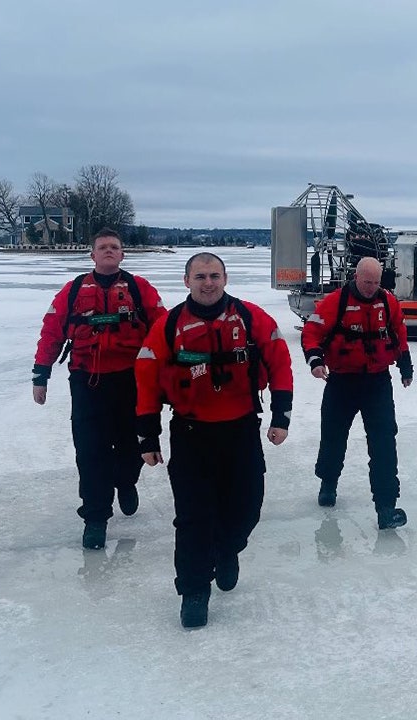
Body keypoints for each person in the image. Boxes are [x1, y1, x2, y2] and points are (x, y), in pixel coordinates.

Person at [135, 252, 293, 629]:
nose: (208, 283)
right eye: (201, 276)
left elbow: (280, 363)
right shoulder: (168, 325)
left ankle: (227, 549)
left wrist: (281, 416)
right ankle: (193, 591)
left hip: (240, 431)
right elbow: (146, 378)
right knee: (193, 518)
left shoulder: (252, 318)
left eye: (215, 275)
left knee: (247, 508)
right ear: (187, 280)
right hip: (191, 434)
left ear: (225, 278)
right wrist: (147, 434)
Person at [32, 228, 166, 549]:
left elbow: (163, 330)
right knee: (91, 453)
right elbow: (52, 332)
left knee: (132, 446)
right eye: (102, 247)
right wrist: (41, 374)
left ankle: (126, 481)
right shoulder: (74, 290)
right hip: (87, 383)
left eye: (114, 247)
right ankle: (95, 518)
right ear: (92, 255)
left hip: (131, 383)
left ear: (122, 255)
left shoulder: (139, 288)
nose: (108, 251)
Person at [301, 256, 412, 530]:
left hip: (377, 383)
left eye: (376, 282)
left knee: (385, 443)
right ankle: (328, 483)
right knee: (333, 436)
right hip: (342, 382)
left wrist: (405, 367)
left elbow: (399, 334)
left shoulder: (388, 302)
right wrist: (315, 360)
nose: (371, 287)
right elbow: (311, 332)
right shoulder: (334, 302)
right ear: (356, 276)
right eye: (367, 282)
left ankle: (386, 507)